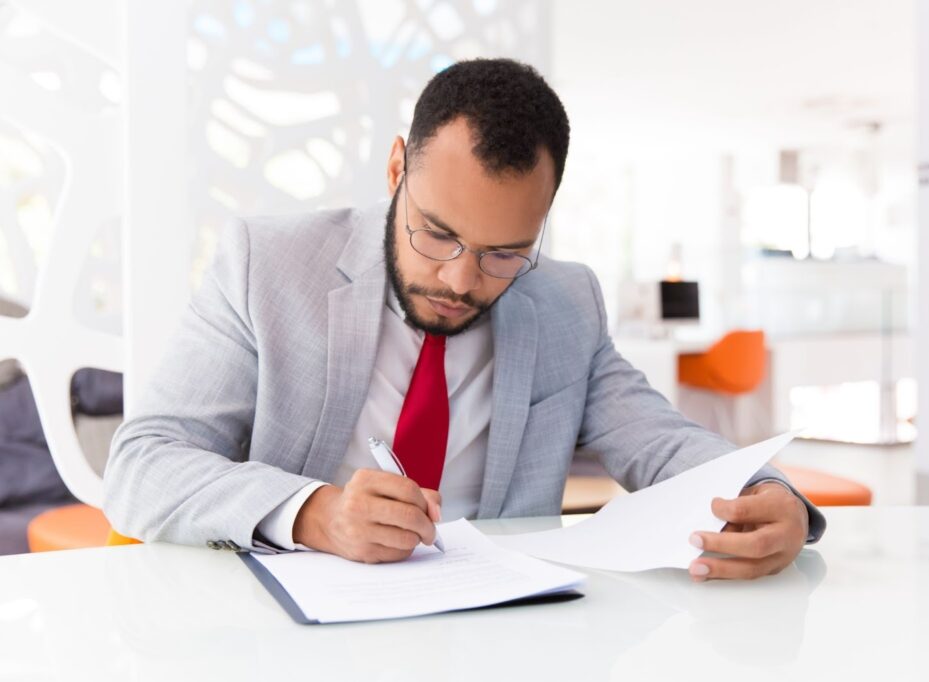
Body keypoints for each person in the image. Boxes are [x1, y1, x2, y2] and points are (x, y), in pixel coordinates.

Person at [105, 58, 824, 582]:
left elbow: (659, 440)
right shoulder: (269, 264)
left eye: (504, 253)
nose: (460, 279)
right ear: (395, 170)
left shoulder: (565, 302)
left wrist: (770, 495)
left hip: (496, 633)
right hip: (299, 633)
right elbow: (143, 466)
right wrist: (313, 513)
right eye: (437, 233)